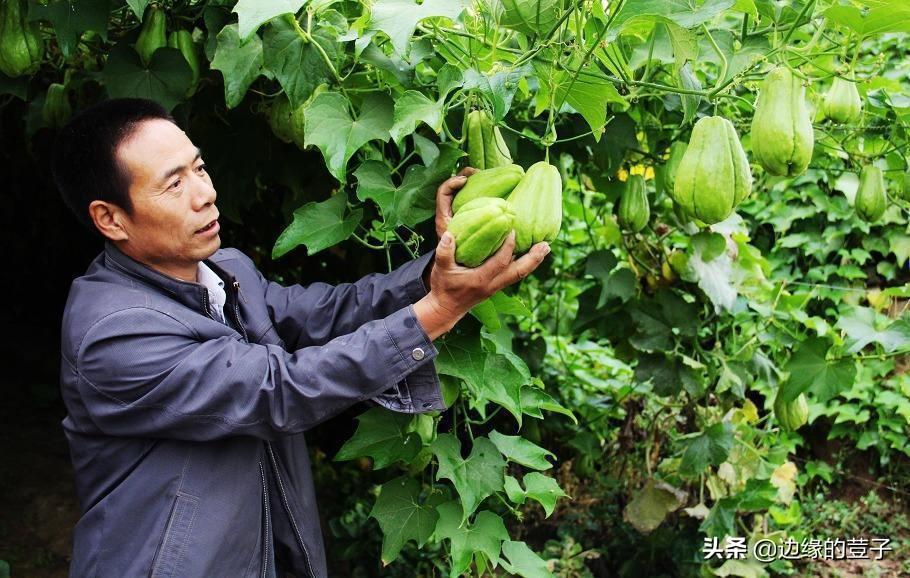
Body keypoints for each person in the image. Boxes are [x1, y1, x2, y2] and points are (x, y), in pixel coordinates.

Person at [53, 98, 550, 578]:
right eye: (173, 183)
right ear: (110, 218)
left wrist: (446, 262)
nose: (205, 193)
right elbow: (278, 391)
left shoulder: (225, 270)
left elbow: (328, 313)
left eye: (199, 169)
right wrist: (438, 310)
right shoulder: (112, 333)